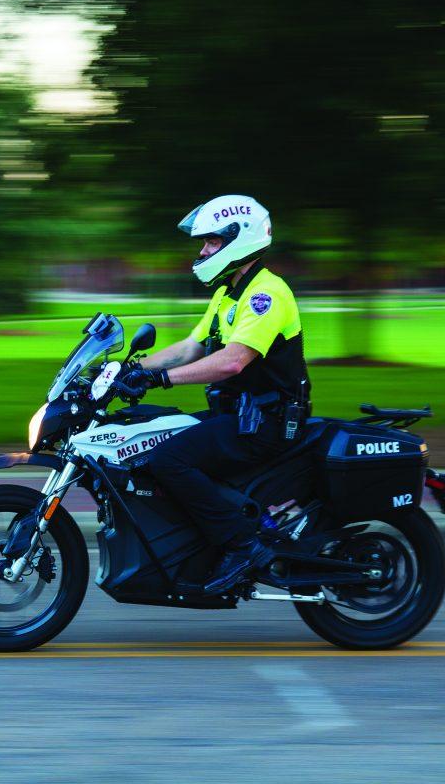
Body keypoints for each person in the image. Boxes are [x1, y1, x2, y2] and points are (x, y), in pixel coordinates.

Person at [117, 194, 311, 594]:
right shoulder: (228, 294)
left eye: (211, 242)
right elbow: (191, 347)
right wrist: (128, 368)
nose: (203, 250)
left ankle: (242, 547)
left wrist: (162, 379)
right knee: (154, 432)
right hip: (239, 418)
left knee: (169, 458)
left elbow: (232, 362)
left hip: (266, 424)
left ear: (238, 240)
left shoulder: (266, 294)